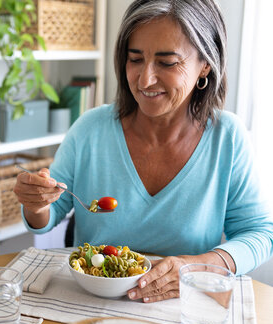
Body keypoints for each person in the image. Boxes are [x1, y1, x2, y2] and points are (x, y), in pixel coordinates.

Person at [14, 0, 273, 303]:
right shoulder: (89, 130)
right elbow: (48, 214)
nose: (145, 79)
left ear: (205, 63)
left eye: (166, 62)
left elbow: (259, 234)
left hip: (183, 307)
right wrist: (36, 202)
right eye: (135, 59)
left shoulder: (227, 138)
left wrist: (199, 266)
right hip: (92, 306)